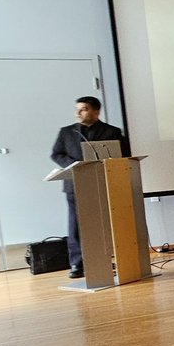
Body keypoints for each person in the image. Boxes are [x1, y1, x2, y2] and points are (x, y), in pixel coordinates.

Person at [50, 96, 125, 279]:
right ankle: (77, 263)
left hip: (102, 183)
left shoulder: (112, 131)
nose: (78, 112)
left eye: (83, 109)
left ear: (96, 111)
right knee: (76, 226)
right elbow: (56, 154)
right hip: (75, 184)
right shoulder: (67, 132)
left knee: (102, 224)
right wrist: (74, 164)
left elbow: (122, 154)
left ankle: (105, 259)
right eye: (77, 109)